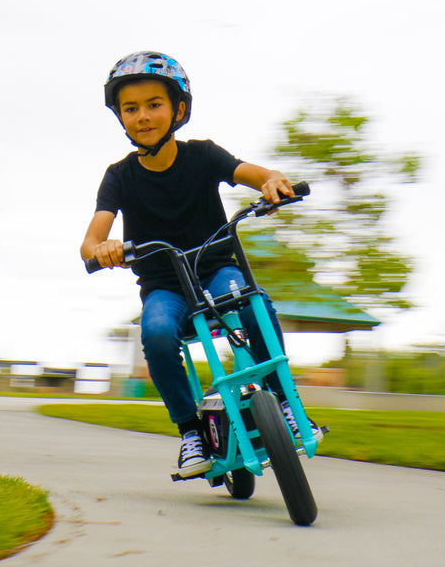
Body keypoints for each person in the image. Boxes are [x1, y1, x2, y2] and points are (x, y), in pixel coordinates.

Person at [80, 51, 317, 478]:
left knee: (252, 302)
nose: (142, 116)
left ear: (178, 110)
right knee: (155, 333)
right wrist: (103, 248)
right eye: (130, 108)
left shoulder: (204, 156)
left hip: (216, 270)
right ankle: (191, 432)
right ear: (120, 117)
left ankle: (285, 402)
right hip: (164, 287)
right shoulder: (119, 176)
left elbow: (253, 173)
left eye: (154, 104)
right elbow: (89, 243)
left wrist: (271, 180)